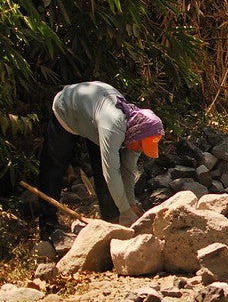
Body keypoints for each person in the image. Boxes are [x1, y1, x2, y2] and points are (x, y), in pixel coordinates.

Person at [38, 81, 164, 240]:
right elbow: (111, 171)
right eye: (141, 145)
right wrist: (125, 211)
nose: (140, 149)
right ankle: (47, 224)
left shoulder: (140, 131)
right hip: (68, 109)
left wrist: (130, 203)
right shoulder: (113, 126)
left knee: (104, 173)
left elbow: (127, 170)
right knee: (54, 167)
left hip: (94, 117)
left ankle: (110, 219)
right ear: (136, 133)